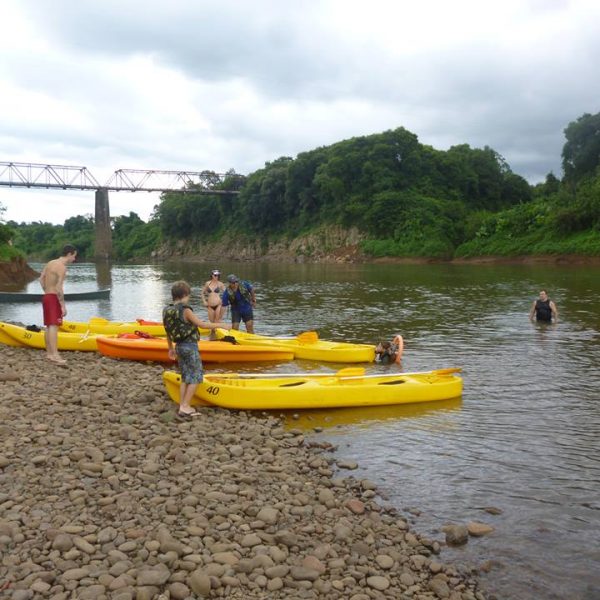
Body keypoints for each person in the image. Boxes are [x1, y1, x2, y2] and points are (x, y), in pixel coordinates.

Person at [163, 280, 226, 418]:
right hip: (189, 346)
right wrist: (221, 326)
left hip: (178, 347)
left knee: (185, 376)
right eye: (188, 294)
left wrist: (170, 348)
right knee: (196, 377)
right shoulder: (185, 310)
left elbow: (168, 331)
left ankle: (182, 404)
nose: (189, 297)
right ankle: (185, 406)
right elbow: (202, 325)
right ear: (185, 294)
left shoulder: (167, 310)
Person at [39, 244, 78, 364]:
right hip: (53, 298)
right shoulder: (62, 267)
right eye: (74, 256)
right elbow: (59, 287)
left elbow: (41, 278)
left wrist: (46, 291)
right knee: (54, 326)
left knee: (49, 326)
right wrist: (62, 305)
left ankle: (50, 354)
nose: (74, 259)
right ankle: (55, 355)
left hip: (46, 297)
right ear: (69, 254)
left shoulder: (51, 263)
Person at [201, 268, 226, 339]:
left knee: (216, 321)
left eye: (218, 275)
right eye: (215, 275)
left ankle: (217, 336)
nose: (216, 277)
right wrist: (204, 301)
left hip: (218, 304)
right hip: (209, 305)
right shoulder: (207, 283)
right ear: (212, 275)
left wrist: (224, 300)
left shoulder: (220, 284)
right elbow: (202, 293)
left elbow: (226, 293)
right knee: (212, 323)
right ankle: (212, 337)